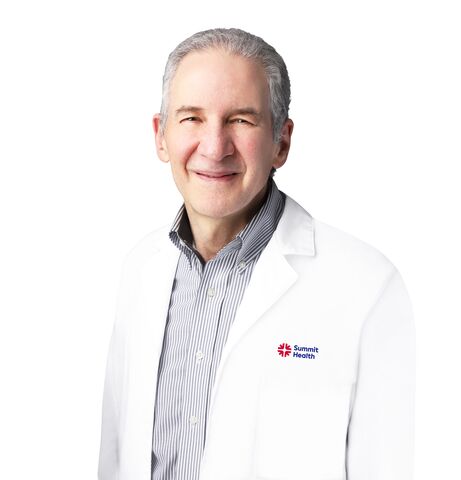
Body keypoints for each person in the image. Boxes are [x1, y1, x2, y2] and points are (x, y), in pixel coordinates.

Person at [98, 28, 415, 480]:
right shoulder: (139, 269)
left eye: (241, 121)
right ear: (160, 136)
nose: (214, 147)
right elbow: (115, 459)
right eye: (191, 118)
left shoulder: (367, 287)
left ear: (281, 142)